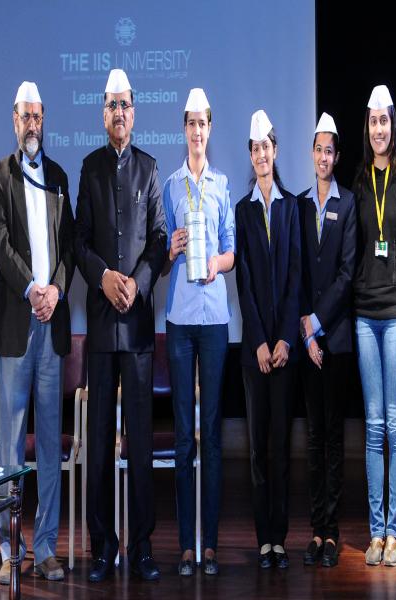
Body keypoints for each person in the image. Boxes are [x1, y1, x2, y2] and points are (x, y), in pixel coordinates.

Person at [74, 68, 167, 583]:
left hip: (137, 326)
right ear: (102, 113)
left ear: (134, 111)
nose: (119, 113)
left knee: (141, 442)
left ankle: (143, 546)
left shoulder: (149, 169)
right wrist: (105, 277)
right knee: (99, 442)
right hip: (102, 324)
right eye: (111, 105)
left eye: (125, 105)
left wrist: (138, 281)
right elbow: (79, 241)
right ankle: (102, 547)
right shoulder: (88, 168)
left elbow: (159, 238)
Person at [0, 81, 75, 584]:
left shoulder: (59, 177)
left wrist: (56, 290)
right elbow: (0, 242)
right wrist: (32, 290)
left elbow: (70, 246)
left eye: (38, 117)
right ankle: (8, 549)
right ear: (14, 120)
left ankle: (44, 547)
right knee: (9, 445)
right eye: (26, 117)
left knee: (47, 446)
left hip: (52, 325)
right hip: (18, 326)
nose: (32, 125)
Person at [161, 88, 235, 576]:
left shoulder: (222, 185)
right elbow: (163, 248)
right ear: (184, 129)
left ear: (210, 128)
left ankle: (210, 545)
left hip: (214, 322)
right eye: (190, 123)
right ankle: (186, 545)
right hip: (180, 319)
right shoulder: (170, 186)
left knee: (211, 435)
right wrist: (171, 247)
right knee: (184, 439)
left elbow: (231, 250)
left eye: (202, 123)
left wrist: (216, 263)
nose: (196, 131)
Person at [352, 85, 396, 567]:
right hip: (364, 314)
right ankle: (375, 532)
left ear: (393, 126)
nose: (379, 129)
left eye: (385, 121)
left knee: (395, 423)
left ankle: (394, 533)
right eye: (373, 121)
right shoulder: (359, 182)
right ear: (367, 128)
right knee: (373, 425)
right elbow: (357, 244)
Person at [235, 109, 300, 570]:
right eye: (255, 149)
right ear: (251, 154)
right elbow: (244, 281)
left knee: (281, 448)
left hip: (284, 350)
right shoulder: (243, 211)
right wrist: (259, 340)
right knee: (258, 448)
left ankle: (281, 536)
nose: (261, 155)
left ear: (276, 151)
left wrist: (284, 340)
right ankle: (264, 539)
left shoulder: (292, 207)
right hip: (254, 352)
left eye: (266, 147)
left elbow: (296, 278)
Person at [297, 112, 356, 568]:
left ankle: (332, 532)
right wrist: (306, 332)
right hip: (308, 343)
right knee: (313, 438)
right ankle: (315, 530)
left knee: (334, 438)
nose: (323, 157)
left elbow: (347, 273)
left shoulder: (348, 204)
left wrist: (317, 323)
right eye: (318, 149)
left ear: (337, 156)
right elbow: (296, 273)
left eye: (329, 150)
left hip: (335, 339)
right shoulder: (299, 206)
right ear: (311, 154)